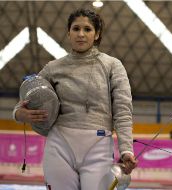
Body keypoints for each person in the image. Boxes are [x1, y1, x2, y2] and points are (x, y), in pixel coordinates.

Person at [13, 8, 137, 190]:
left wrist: (126, 150)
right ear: (68, 33)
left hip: (99, 145)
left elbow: (123, 110)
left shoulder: (112, 65)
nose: (81, 34)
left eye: (87, 29)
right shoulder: (53, 68)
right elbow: (29, 95)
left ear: (97, 34)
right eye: (76, 29)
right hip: (59, 144)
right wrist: (19, 113)